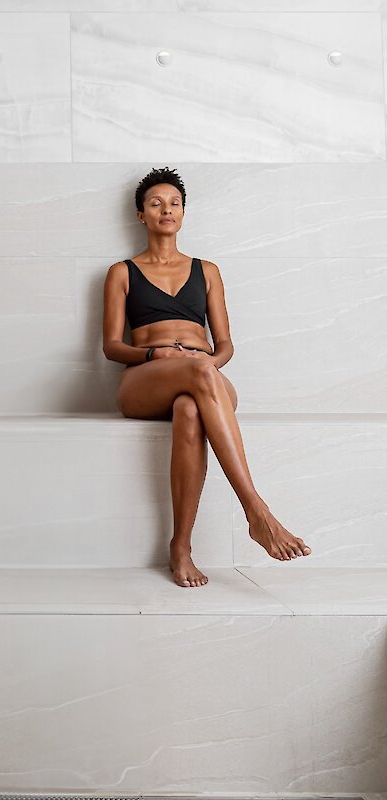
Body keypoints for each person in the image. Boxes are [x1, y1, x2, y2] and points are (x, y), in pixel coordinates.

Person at [102, 166, 311, 588]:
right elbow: (110, 346)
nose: (167, 209)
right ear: (141, 215)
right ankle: (257, 511)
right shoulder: (122, 271)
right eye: (156, 203)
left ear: (184, 213)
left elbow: (226, 346)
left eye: (175, 203)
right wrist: (154, 352)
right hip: (146, 377)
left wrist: (202, 368)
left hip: (201, 374)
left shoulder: (208, 270)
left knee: (190, 410)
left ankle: (180, 547)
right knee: (192, 380)